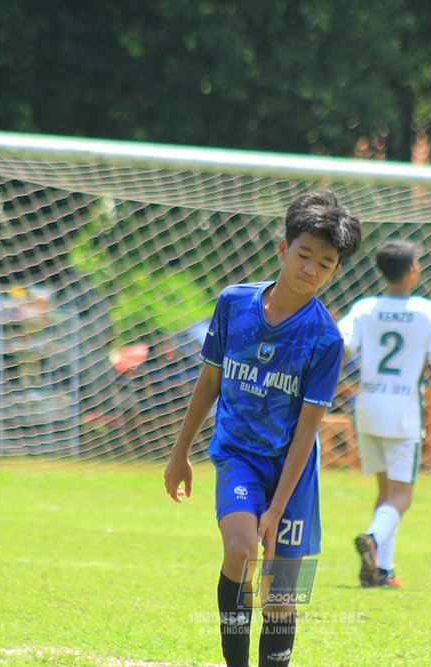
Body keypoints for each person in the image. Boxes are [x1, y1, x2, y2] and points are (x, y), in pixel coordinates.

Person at [163, 190, 362, 667]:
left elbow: (307, 431)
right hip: (238, 457)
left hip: (292, 471)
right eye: (304, 254)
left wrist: (275, 509)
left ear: (335, 272)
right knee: (240, 550)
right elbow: (209, 379)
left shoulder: (326, 338)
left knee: (280, 595)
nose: (311, 269)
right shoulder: (233, 304)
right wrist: (179, 453)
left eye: (326, 263)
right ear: (282, 249)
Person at [337, 240, 431, 588]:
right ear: (412, 271)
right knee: (402, 496)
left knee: (385, 492)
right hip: (402, 413)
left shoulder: (365, 308)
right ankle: (371, 538)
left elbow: (341, 348)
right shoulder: (426, 310)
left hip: (367, 407)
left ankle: (383, 570)